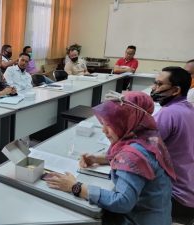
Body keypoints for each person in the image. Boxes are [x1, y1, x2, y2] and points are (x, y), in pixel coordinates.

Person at [44, 91, 176, 225]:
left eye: (110, 124)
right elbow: (142, 159)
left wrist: (75, 186)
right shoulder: (147, 134)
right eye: (103, 123)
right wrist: (99, 159)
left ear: (129, 121)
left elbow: (122, 202)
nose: (104, 130)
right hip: (159, 214)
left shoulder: (132, 155)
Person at [151, 66, 194, 223]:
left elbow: (139, 149)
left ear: (175, 90)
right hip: (188, 192)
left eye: (159, 84)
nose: (154, 88)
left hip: (175, 198)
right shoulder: (188, 108)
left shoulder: (168, 113)